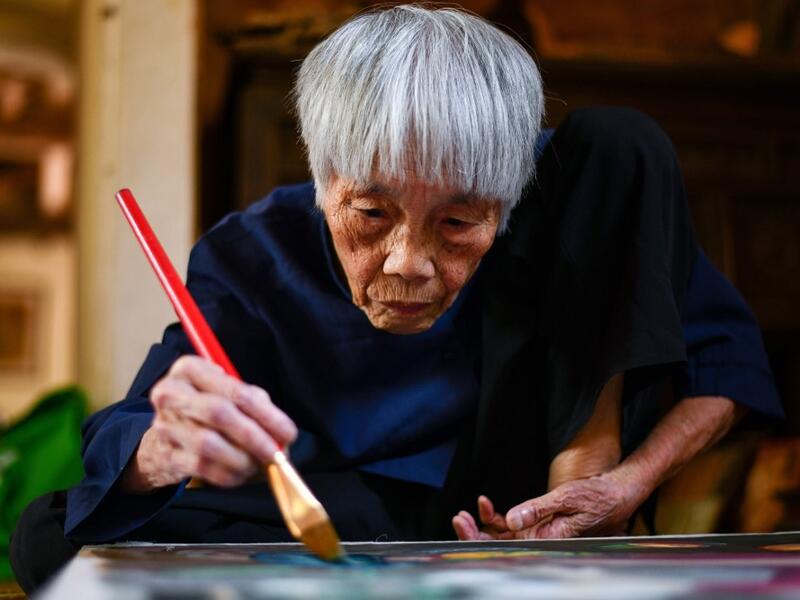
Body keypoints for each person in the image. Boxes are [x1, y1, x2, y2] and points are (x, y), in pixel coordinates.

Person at [11, 4, 782, 593]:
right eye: (371, 215)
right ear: (323, 182)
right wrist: (161, 450)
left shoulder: (580, 194)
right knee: (54, 530)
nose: (409, 264)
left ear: (505, 201)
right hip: (342, 507)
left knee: (623, 141)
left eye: (458, 222)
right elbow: (133, 425)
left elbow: (727, 371)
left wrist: (621, 488)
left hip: (508, 494)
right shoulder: (251, 253)